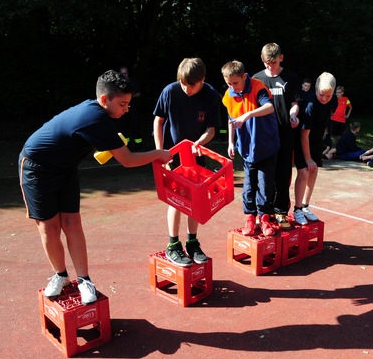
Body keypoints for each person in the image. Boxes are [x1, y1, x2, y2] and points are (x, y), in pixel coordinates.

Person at [19, 70, 172, 305]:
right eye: (122, 104)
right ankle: (60, 276)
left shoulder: (100, 115)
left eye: (128, 104)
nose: (126, 109)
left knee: (72, 222)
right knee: (49, 227)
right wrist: (158, 154)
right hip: (36, 168)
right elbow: (128, 160)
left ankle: (84, 280)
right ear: (104, 100)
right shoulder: (95, 118)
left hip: (65, 168)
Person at [153, 58, 222, 267]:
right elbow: (158, 120)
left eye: (191, 85)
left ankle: (192, 242)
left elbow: (212, 128)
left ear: (202, 80)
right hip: (172, 155)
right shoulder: (170, 91)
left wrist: (200, 142)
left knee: (195, 200)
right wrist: (160, 151)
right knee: (176, 199)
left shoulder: (210, 94)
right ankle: (173, 245)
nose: (186, 88)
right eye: (183, 83)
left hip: (196, 154)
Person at [222, 60, 280, 236]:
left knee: (264, 185)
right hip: (248, 148)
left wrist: (248, 114)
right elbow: (231, 120)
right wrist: (231, 142)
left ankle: (264, 219)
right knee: (248, 186)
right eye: (229, 83)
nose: (233, 87)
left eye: (236, 82)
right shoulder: (229, 95)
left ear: (244, 76)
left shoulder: (257, 87)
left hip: (267, 146)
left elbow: (269, 107)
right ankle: (249, 218)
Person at [252, 43, 300, 229]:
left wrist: (293, 113)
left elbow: (295, 102)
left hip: (285, 133)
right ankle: (265, 212)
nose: (269, 67)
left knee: (283, 173)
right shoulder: (256, 79)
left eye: (273, 63)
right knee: (265, 175)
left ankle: (281, 211)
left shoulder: (290, 77)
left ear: (281, 58)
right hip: (264, 136)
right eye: (266, 63)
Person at [293, 72, 337, 225]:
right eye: (321, 95)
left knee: (314, 171)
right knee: (304, 171)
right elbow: (304, 135)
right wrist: (308, 158)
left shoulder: (333, 100)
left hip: (317, 141)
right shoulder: (310, 105)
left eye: (328, 96)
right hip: (302, 140)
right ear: (316, 89)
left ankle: (305, 206)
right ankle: (297, 209)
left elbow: (328, 115)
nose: (324, 99)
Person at [114, 66, 144, 151]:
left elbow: (139, 93)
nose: (124, 75)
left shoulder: (133, 82)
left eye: (126, 73)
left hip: (132, 109)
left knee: (135, 127)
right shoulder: (117, 84)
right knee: (124, 129)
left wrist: (129, 97)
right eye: (122, 73)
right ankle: (127, 147)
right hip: (121, 110)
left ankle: (139, 147)